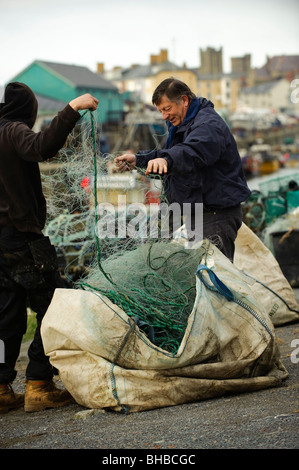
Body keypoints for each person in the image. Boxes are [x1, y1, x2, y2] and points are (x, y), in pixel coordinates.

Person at [0, 82, 99, 413]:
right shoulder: (14, 131)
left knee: (7, 314)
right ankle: (39, 384)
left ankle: (1, 388)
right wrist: (72, 108)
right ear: (26, 111)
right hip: (21, 236)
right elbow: (40, 146)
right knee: (55, 303)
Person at [114, 77, 251, 260]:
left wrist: (167, 160)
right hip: (198, 212)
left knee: (215, 278)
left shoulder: (207, 126)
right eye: (161, 111)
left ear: (184, 100)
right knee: (197, 276)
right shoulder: (185, 124)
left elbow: (190, 153)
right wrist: (138, 160)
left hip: (215, 216)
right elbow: (171, 155)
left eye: (167, 109)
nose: (164, 116)